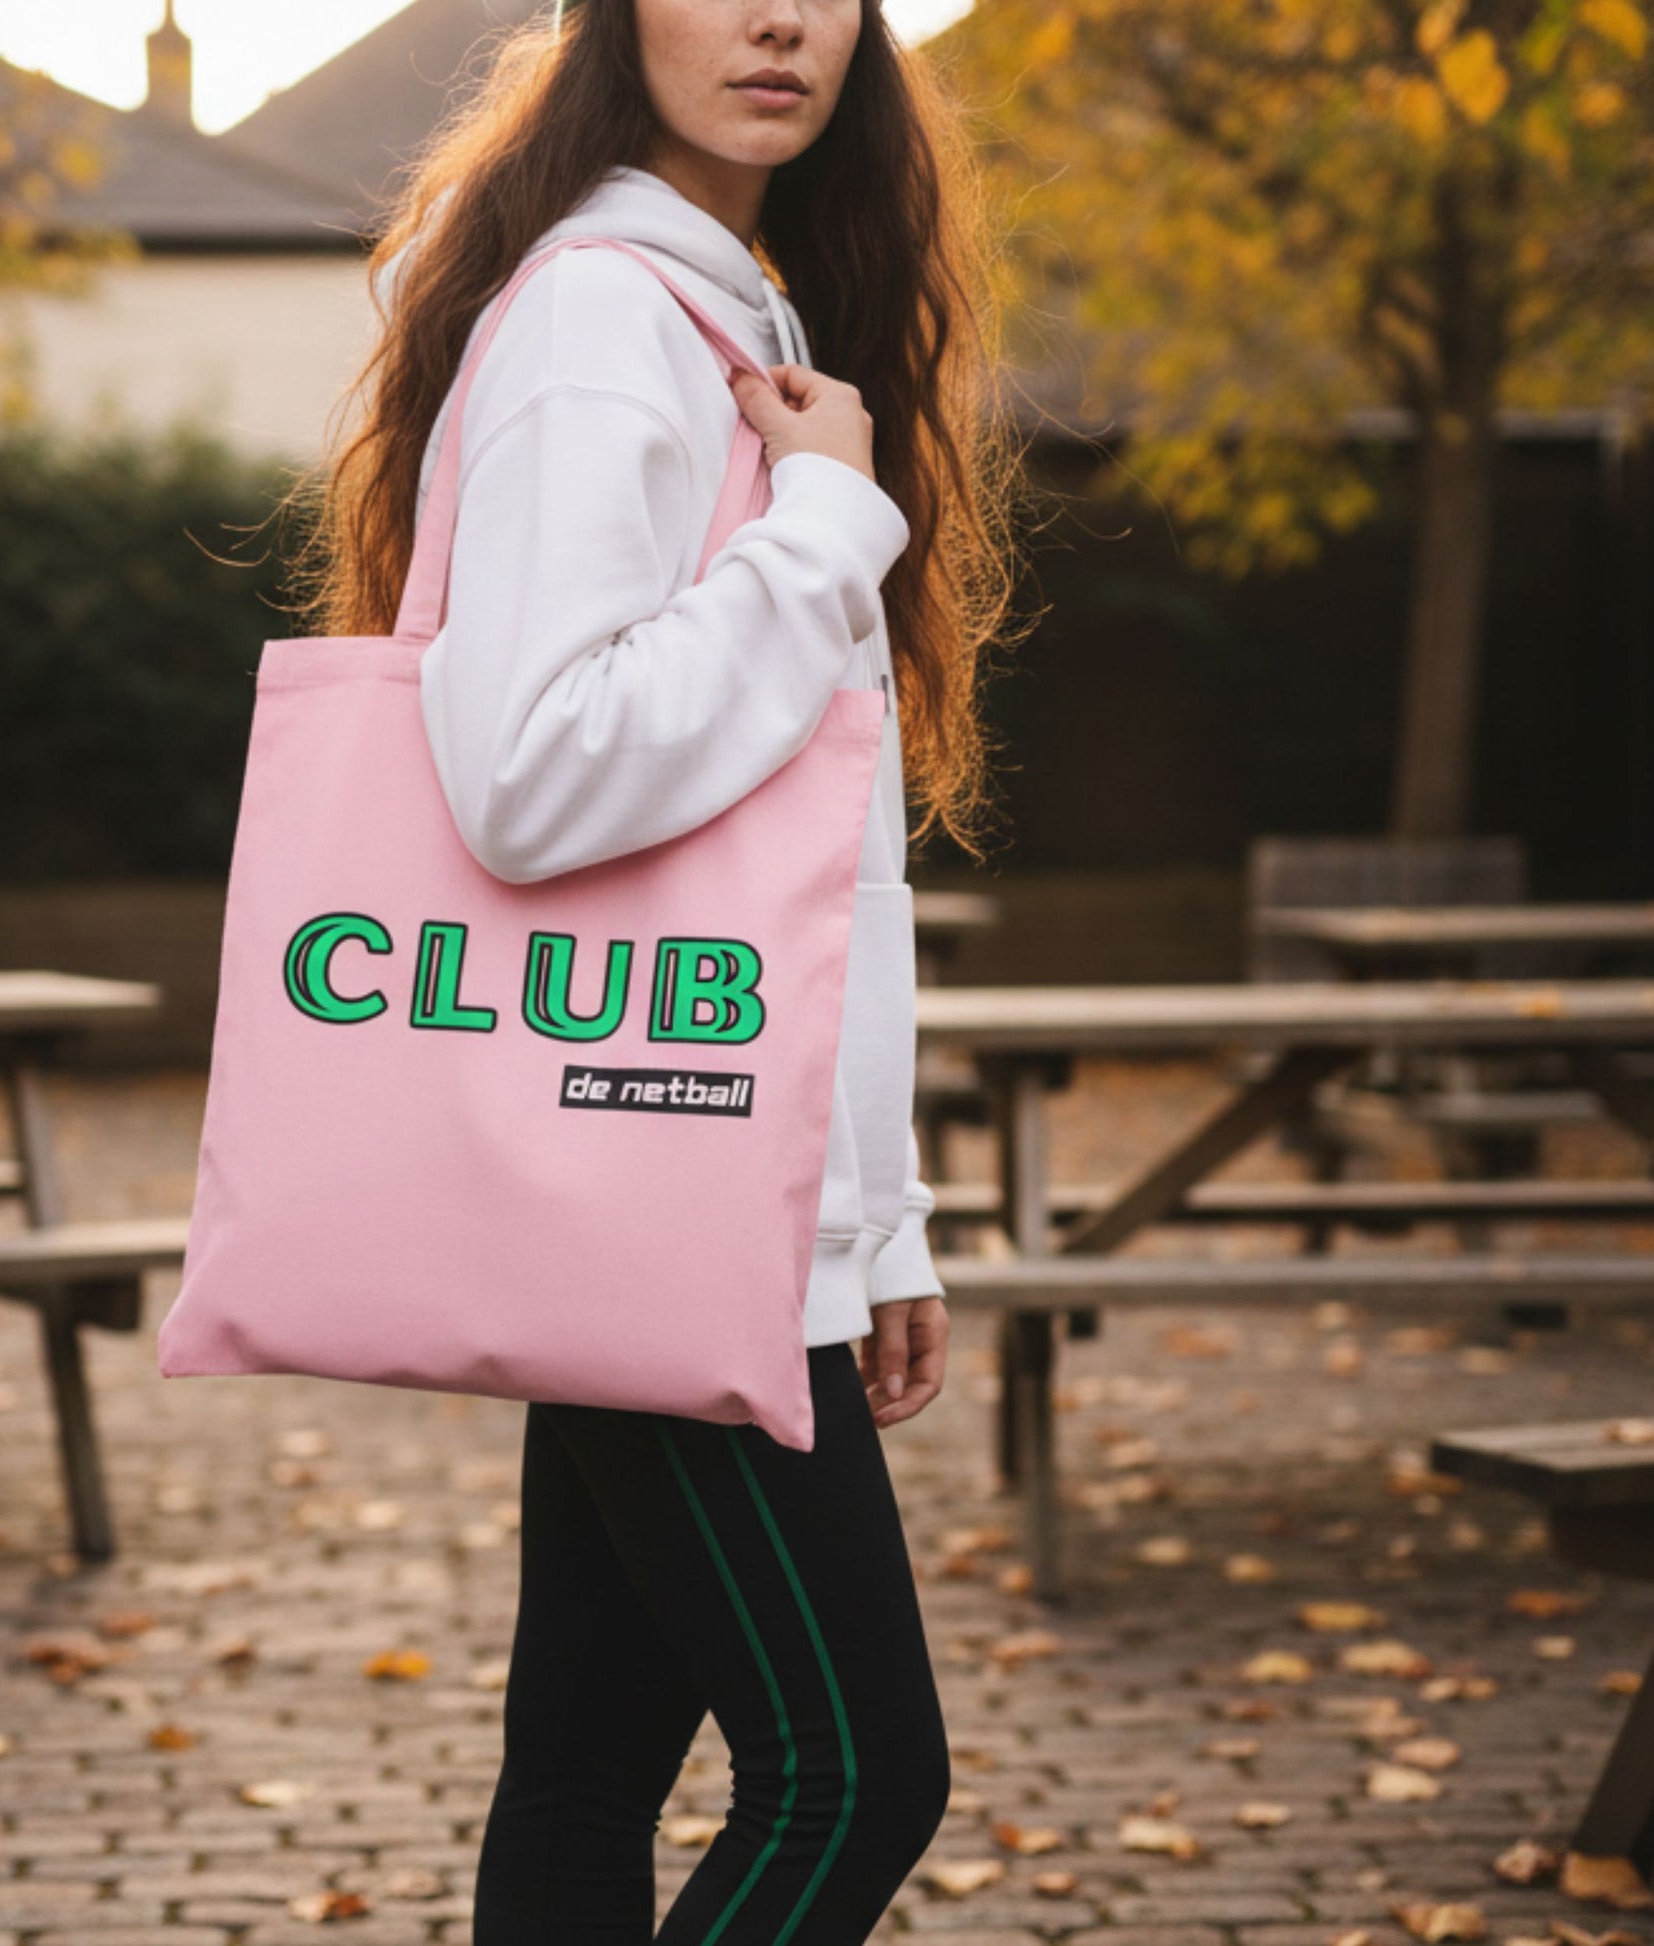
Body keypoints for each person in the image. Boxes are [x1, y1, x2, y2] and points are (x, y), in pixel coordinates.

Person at [299, 0, 1023, 1935]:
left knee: (588, 1776)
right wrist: (823, 531)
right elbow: (533, 773)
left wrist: (877, 1222)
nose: (783, 16)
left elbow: (809, 875)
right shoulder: (608, 324)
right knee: (855, 1774)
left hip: (686, 1159)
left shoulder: (731, 315)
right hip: (666, 1159)